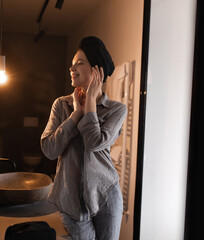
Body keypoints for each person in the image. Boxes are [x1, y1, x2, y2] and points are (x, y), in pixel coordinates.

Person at [41, 36, 127, 240]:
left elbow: (94, 142)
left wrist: (89, 101)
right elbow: (49, 149)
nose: (72, 68)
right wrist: (75, 115)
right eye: (72, 64)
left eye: (80, 63)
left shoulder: (116, 109)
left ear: (98, 70)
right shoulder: (61, 105)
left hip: (107, 195)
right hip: (70, 200)